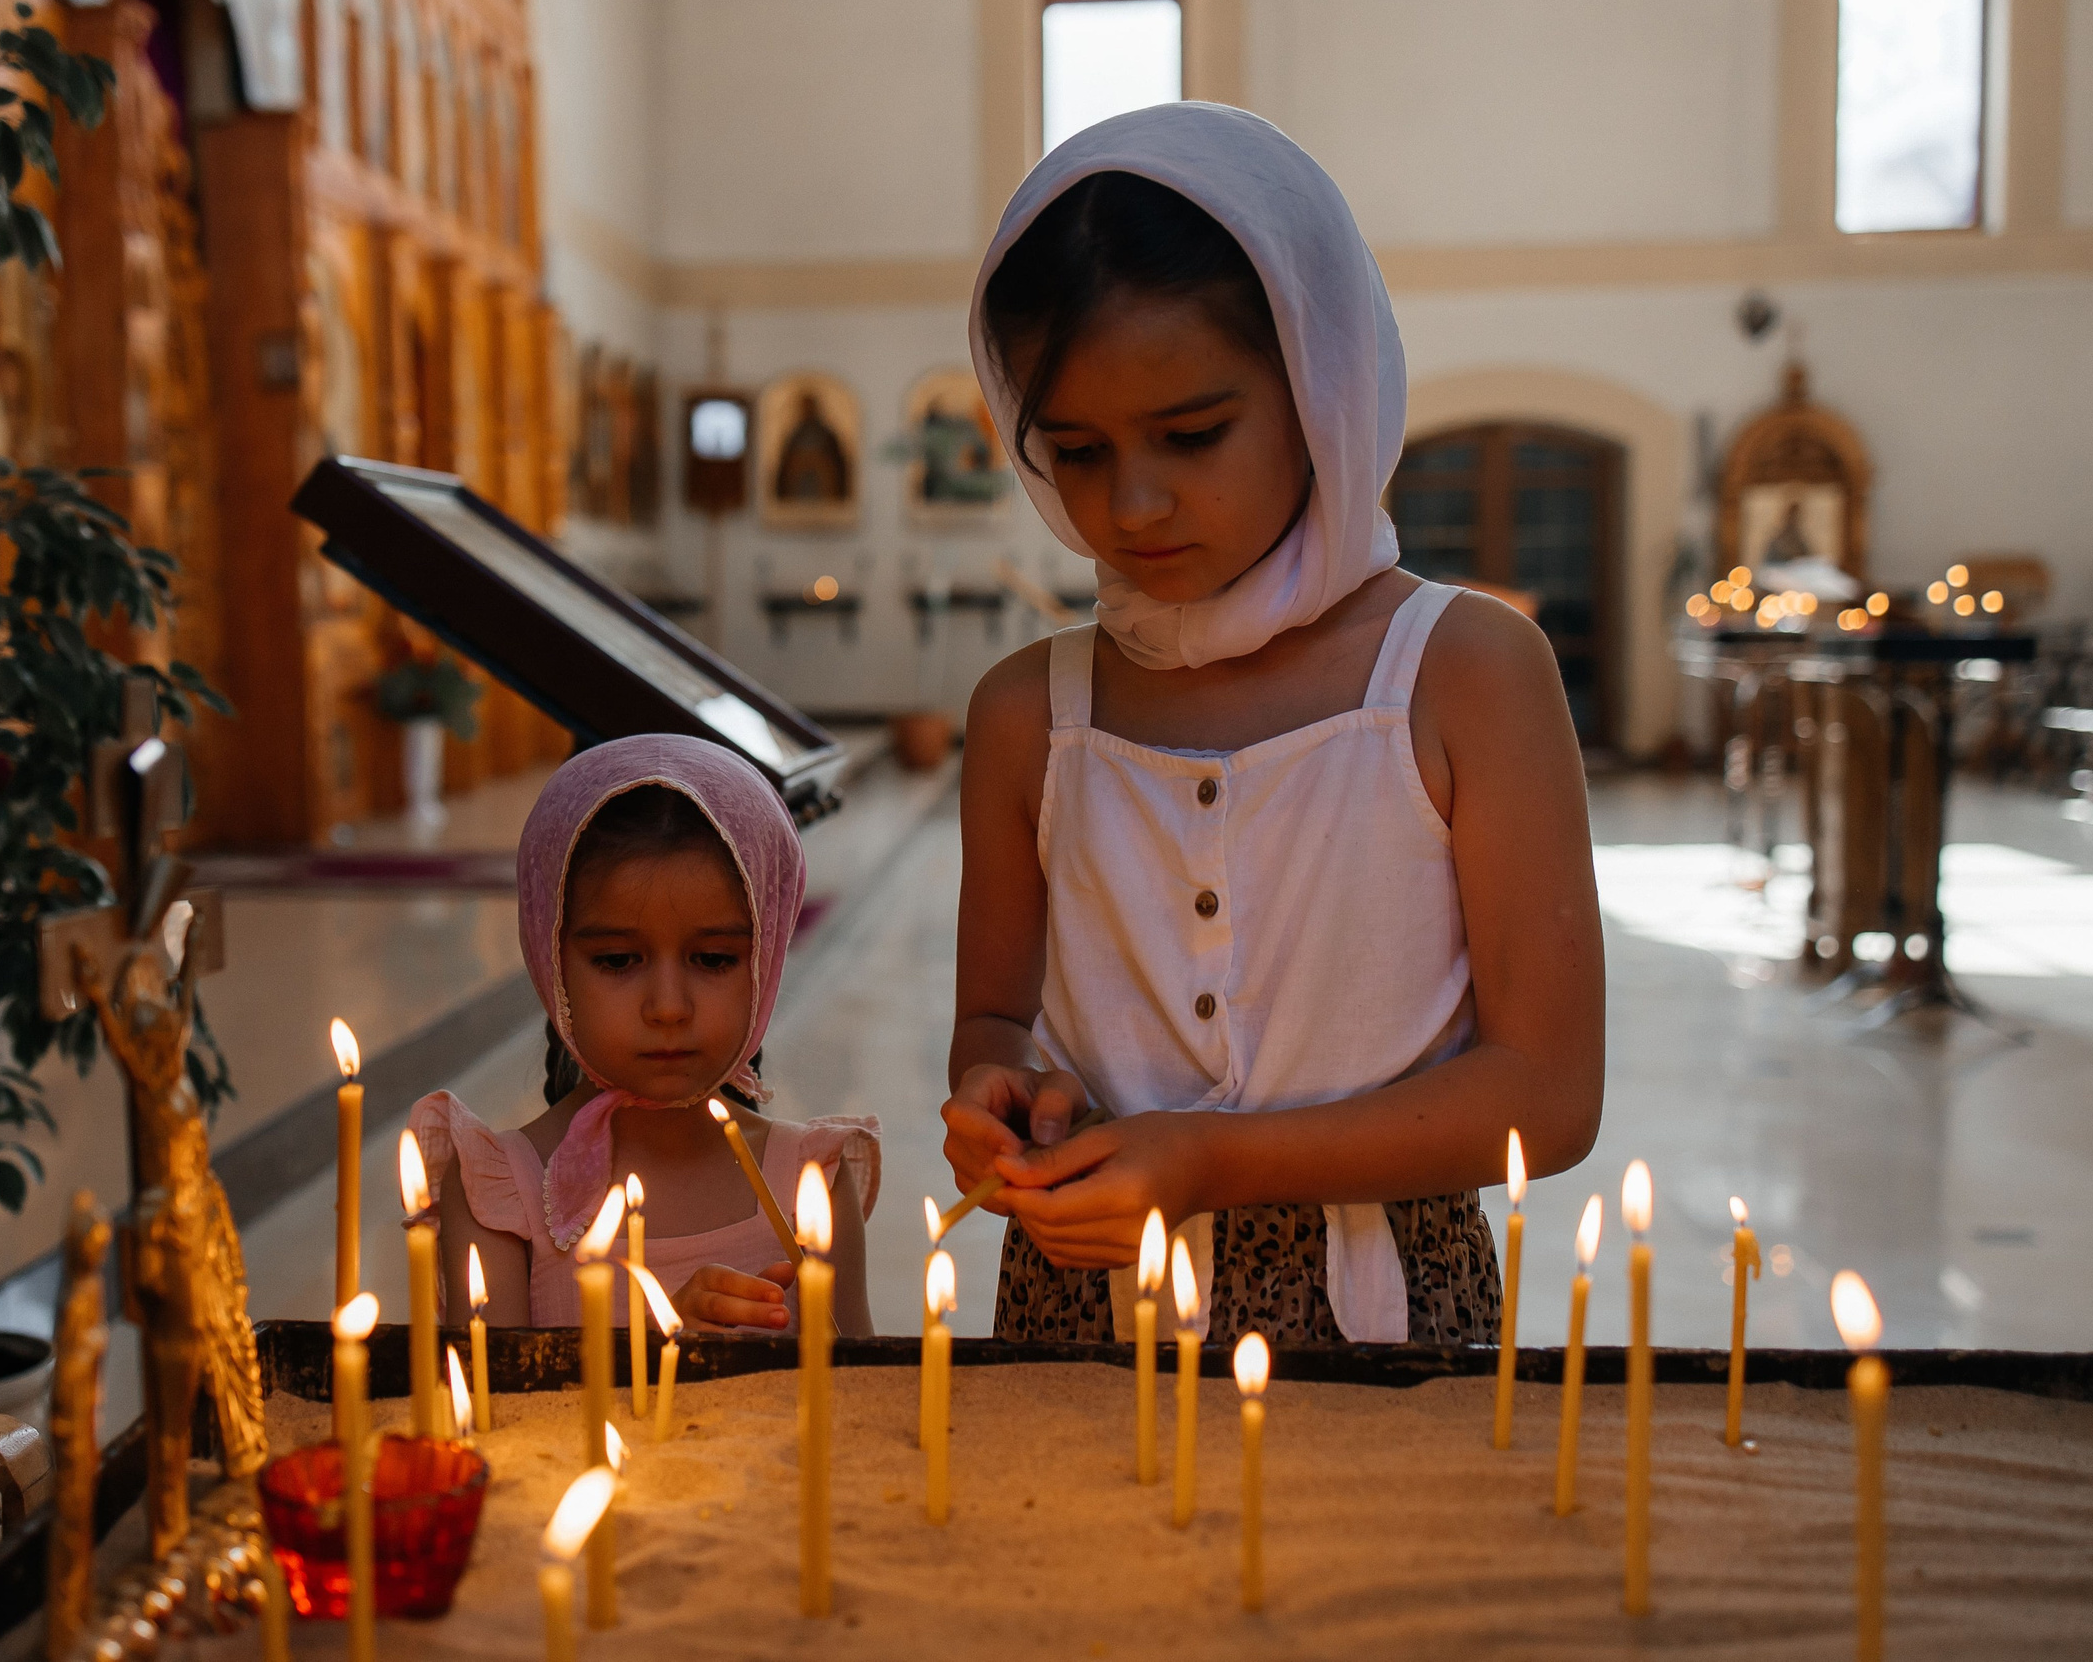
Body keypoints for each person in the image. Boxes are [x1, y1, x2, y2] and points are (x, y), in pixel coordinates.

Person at [944, 104, 1603, 1346]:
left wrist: (1209, 1162)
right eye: (1075, 450)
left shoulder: (1463, 676)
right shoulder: (1031, 715)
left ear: (1319, 385)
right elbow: (991, 1020)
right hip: (1087, 1299)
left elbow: (1550, 1095)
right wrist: (999, 1093)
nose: (1132, 503)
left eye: (1193, 435)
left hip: (1382, 1309)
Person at [416, 735, 878, 1334]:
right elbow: (489, 1415)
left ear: (765, 962)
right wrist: (660, 1359)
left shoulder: (809, 1186)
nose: (667, 1007)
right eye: (616, 960)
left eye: (713, 959)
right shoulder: (501, 1194)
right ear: (548, 957)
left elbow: (861, 1404)